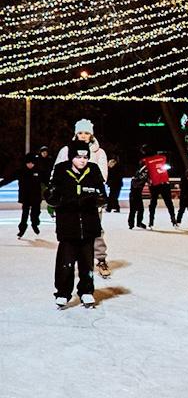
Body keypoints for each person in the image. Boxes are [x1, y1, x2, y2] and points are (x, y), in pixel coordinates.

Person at [48, 142, 106, 309]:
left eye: (85, 157)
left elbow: (102, 193)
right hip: (68, 225)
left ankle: (86, 291)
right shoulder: (61, 170)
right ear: (71, 157)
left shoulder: (93, 170)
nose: (82, 160)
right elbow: (54, 195)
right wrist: (53, 197)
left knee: (86, 262)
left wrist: (98, 198)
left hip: (88, 224)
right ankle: (62, 293)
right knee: (65, 263)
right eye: (78, 157)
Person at [54, 119, 112, 279]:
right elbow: (57, 172)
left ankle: (100, 259)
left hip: (90, 200)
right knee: (70, 232)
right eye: (80, 133)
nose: (83, 136)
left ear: (91, 134)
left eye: (86, 133)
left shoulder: (99, 153)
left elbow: (102, 176)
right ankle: (71, 262)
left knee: (96, 230)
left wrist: (95, 195)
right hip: (69, 201)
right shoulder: (66, 151)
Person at [141, 147, 177, 229]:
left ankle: (151, 222)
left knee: (153, 203)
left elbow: (144, 173)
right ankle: (173, 220)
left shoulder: (146, 161)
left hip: (154, 184)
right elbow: (169, 165)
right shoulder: (162, 157)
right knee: (169, 203)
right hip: (165, 182)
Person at [17, 153, 42, 238]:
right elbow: (8, 178)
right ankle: (22, 229)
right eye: (28, 163)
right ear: (25, 163)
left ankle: (34, 224)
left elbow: (47, 180)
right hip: (26, 197)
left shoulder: (39, 171)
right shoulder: (21, 171)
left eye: (32, 163)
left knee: (35, 213)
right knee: (25, 214)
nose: (30, 165)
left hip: (36, 197)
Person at [128, 157, 148, 230]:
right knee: (133, 210)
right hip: (134, 194)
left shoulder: (140, 173)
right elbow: (135, 184)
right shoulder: (138, 174)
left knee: (140, 209)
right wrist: (143, 181)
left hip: (137, 194)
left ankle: (137, 223)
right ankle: (132, 224)